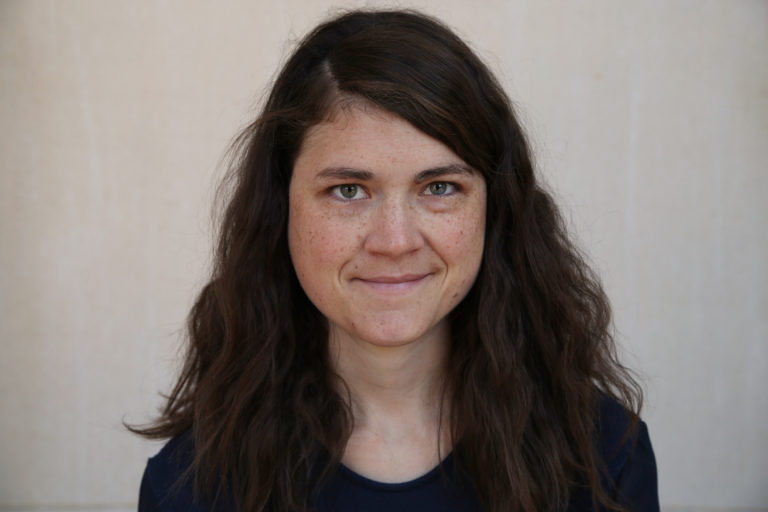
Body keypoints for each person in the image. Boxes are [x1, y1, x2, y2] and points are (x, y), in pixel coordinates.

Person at [132, 9, 659, 512]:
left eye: (439, 187)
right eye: (348, 190)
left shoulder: (604, 457)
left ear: (494, 209)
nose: (395, 240)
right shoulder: (189, 488)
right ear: (280, 207)